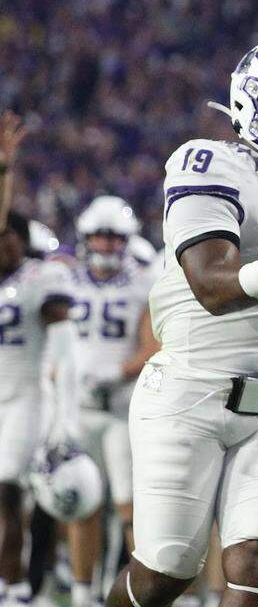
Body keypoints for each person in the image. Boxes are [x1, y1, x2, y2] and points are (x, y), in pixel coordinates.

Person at [104, 35, 258, 607]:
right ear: (248, 100)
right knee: (167, 571)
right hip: (190, 395)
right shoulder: (207, 160)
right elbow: (211, 284)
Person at [66, 195, 161, 607]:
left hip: (123, 407)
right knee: (80, 503)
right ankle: (82, 594)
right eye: (100, 237)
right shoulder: (64, 280)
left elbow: (154, 344)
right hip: (76, 408)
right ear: (86, 239)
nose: (106, 245)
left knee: (130, 507)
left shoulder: (143, 282)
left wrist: (117, 371)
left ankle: (142, 594)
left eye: (114, 238)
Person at [0, 211, 78, 607]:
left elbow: (65, 346)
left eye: (11, 234)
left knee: (6, 487)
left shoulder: (40, 277)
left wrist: (65, 414)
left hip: (25, 396)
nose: (5, 243)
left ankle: (15, 585)